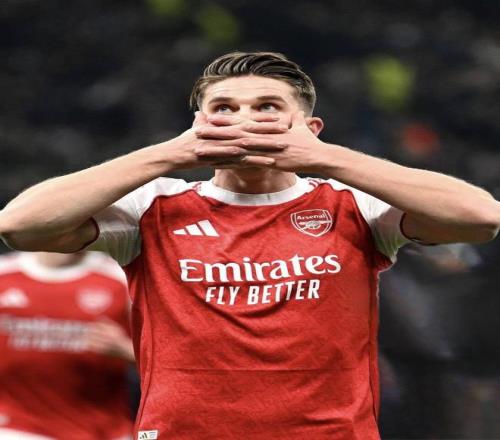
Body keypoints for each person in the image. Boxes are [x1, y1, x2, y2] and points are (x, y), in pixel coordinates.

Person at [0, 51, 498, 439]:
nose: (244, 119)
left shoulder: (356, 205)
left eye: (267, 107)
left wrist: (328, 158)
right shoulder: (153, 206)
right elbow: (20, 226)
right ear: (199, 125)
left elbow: (481, 218)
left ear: (309, 129)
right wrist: (167, 155)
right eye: (224, 108)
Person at [0, 251, 134, 440]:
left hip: (105, 429)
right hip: (17, 426)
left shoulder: (121, 279)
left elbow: (165, 361)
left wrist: (126, 350)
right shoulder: (4, 273)